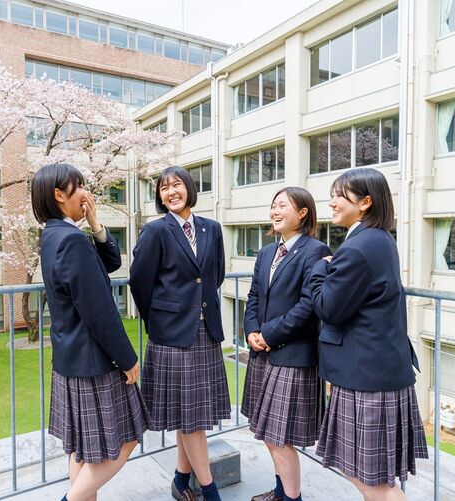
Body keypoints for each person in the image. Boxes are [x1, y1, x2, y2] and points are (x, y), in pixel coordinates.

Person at [309, 168, 428, 501]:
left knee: (371, 479)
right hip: (379, 369)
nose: (331, 202)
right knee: (372, 476)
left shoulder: (358, 247)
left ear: (364, 202)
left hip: (366, 376)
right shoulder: (379, 239)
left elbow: (328, 308)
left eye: (339, 195)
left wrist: (321, 269)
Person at [32, 163, 147, 501]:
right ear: (58, 194)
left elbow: (109, 263)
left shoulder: (54, 235)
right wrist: (127, 360)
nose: (86, 193)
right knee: (126, 439)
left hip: (70, 359)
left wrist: (95, 224)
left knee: (84, 448)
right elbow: (99, 313)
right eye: (79, 186)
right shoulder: (71, 241)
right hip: (93, 361)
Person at [129, 166, 229, 501]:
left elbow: (215, 275)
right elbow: (140, 283)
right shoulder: (155, 231)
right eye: (164, 188)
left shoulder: (211, 228)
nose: (171, 192)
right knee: (192, 417)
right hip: (171, 334)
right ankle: (210, 489)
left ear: (189, 187)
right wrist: (160, 320)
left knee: (192, 414)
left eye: (177, 185)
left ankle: (181, 479)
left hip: (205, 330)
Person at [241, 187, 331, 501]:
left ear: (303, 212)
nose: (275, 212)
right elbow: (253, 296)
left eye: (282, 206)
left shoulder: (316, 250)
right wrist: (251, 330)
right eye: (273, 206)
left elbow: (308, 306)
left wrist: (268, 335)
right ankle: (281, 492)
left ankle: (292, 498)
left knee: (279, 437)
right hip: (263, 353)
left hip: (291, 354)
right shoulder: (267, 252)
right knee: (267, 432)